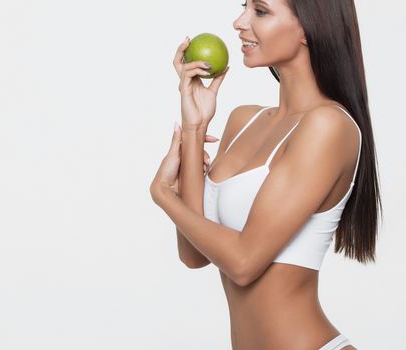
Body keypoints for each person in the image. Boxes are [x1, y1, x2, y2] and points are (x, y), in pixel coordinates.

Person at [149, 0, 382, 349]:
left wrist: (164, 195)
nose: (238, 22)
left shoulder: (328, 126)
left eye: (260, 11)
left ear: (308, 26)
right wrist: (195, 128)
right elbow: (195, 255)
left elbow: (244, 263)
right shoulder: (244, 120)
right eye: (244, 6)